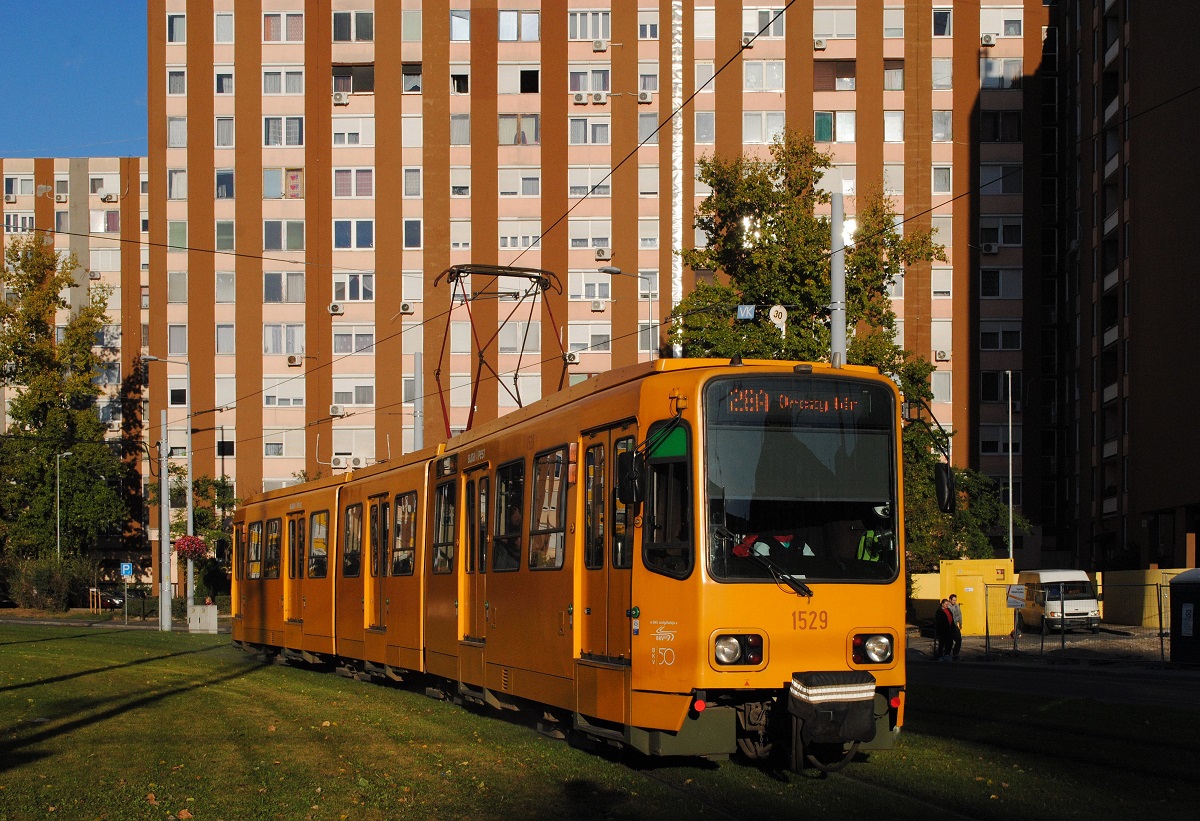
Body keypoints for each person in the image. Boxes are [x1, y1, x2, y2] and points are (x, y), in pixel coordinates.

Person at [947, 594, 963, 660]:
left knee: (959, 639)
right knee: (949, 641)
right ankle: (947, 654)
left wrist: (960, 623)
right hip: (949, 626)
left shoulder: (956, 606)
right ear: (950, 600)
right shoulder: (947, 606)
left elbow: (959, 614)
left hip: (955, 625)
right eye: (953, 600)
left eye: (955, 600)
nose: (955, 601)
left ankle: (955, 654)